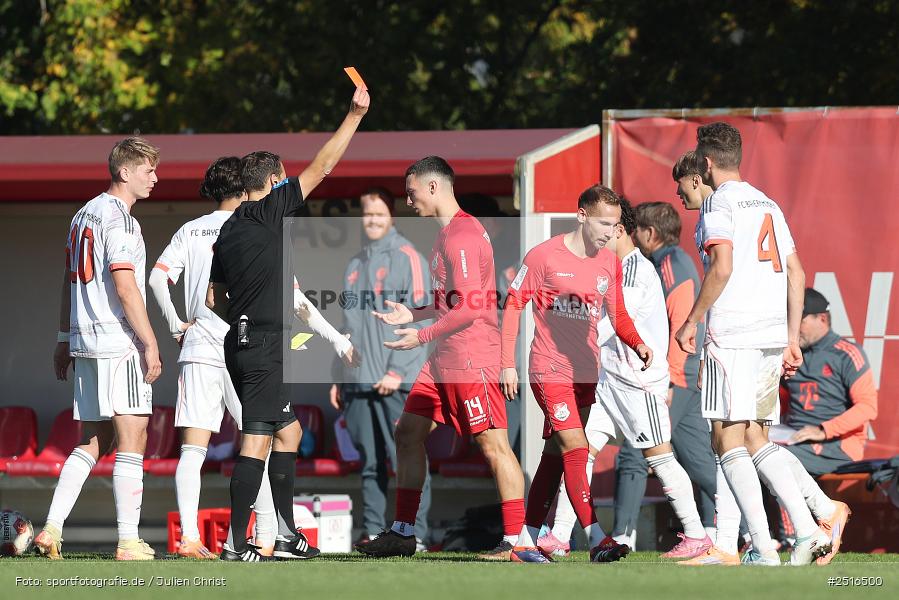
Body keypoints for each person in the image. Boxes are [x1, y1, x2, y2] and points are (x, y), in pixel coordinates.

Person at [206, 86, 369, 562]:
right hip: (262, 346)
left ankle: (285, 530)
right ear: (274, 180)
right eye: (283, 180)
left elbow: (214, 298)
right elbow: (323, 167)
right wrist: (355, 116)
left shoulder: (228, 228)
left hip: (241, 344)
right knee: (256, 438)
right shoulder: (270, 209)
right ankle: (238, 546)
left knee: (289, 433)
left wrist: (247, 318)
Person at [674, 123, 843, 566]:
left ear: (705, 163)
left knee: (725, 438)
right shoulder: (768, 203)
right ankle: (807, 528)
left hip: (733, 334)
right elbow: (798, 273)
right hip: (769, 337)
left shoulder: (718, 202)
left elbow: (722, 267)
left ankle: (765, 549)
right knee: (754, 437)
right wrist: (790, 338)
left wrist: (692, 320)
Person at [357, 156, 526, 560]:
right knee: (408, 432)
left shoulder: (462, 235)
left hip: (471, 357)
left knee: (493, 446)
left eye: (411, 192)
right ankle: (402, 532)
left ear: (433, 187)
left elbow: (469, 307)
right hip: (444, 357)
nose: (408, 200)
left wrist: (422, 335)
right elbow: (448, 301)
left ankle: (519, 541)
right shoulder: (446, 234)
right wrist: (412, 314)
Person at [499, 186, 652, 563]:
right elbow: (514, 304)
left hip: (587, 373)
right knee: (576, 448)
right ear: (581, 215)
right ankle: (597, 539)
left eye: (616, 225)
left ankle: (525, 541)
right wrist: (507, 363)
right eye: (604, 222)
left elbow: (618, 316)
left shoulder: (609, 262)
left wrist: (638, 343)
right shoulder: (544, 256)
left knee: (556, 455)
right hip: (548, 368)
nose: (610, 232)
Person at [38, 137, 162, 561]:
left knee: (95, 438)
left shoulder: (81, 215)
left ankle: (51, 528)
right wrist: (149, 342)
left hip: (86, 341)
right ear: (125, 172)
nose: (155, 178)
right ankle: (128, 540)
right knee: (134, 434)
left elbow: (67, 282)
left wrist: (62, 339)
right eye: (148, 170)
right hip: (117, 341)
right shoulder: (122, 220)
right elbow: (125, 286)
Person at [149, 156, 278, 559]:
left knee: (193, 449)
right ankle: (268, 533)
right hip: (244, 345)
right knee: (258, 443)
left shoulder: (190, 229)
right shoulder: (253, 227)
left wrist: (174, 324)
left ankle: (189, 538)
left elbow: (157, 277)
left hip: (200, 343)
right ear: (244, 190)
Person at [601, 201, 718, 551]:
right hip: (682, 373)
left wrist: (668, 378)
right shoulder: (671, 262)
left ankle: (621, 536)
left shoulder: (670, 264)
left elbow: (679, 319)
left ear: (649, 234)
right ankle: (737, 530)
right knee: (699, 462)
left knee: (635, 455)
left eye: (635, 232)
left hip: (674, 375)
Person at [330, 187, 432, 550]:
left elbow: (422, 319)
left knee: (404, 457)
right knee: (370, 463)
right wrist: (339, 377)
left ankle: (414, 532)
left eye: (379, 213)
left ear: (391, 216)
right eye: (367, 213)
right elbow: (347, 325)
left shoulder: (409, 257)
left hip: (396, 382)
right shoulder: (355, 263)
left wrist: (398, 371)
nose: (372, 220)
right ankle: (375, 532)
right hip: (359, 381)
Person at [783, 288, 877, 474]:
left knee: (772, 459)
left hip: (835, 446)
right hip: (792, 439)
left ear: (822, 319)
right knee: (744, 454)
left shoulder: (846, 354)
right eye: (788, 321)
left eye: (799, 321)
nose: (791, 328)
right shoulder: (789, 353)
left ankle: (825, 505)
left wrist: (823, 430)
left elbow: (868, 407)